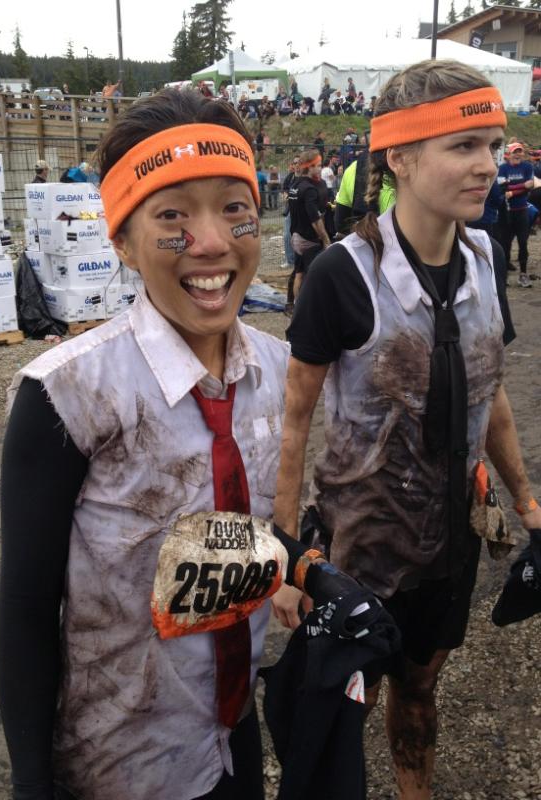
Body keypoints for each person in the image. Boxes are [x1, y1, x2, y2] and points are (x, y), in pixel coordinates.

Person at [0, 87, 391, 800]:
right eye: (172, 216)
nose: (211, 242)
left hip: (231, 735)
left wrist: (309, 572)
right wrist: (31, 784)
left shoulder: (275, 370)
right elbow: (26, 605)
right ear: (121, 240)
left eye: (234, 209)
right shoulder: (66, 395)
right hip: (120, 761)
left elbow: (243, 525)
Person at [272, 59, 540, 800]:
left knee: (420, 689)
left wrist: (525, 499)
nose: (487, 165)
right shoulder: (343, 274)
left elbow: (492, 392)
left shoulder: (484, 260)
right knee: (338, 706)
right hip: (359, 546)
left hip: (450, 539)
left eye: (493, 145)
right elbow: (294, 422)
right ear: (400, 156)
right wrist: (288, 557)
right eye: (464, 146)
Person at [288, 149, 330, 301]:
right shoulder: (309, 189)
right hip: (308, 239)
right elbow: (315, 220)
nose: (320, 168)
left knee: (299, 274)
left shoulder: (295, 184)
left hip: (296, 236)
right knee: (313, 277)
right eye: (318, 165)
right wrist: (326, 240)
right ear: (309, 167)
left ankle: (296, 306)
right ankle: (307, 307)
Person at [497, 142, 535, 287]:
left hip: (522, 210)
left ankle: (523, 275)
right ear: (509, 154)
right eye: (515, 152)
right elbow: (502, 189)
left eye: (520, 151)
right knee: (505, 244)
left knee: (523, 243)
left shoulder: (527, 166)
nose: (518, 154)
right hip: (507, 212)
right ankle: (505, 276)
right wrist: (522, 186)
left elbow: (530, 185)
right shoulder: (503, 168)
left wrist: (512, 191)